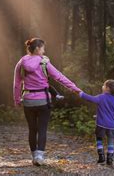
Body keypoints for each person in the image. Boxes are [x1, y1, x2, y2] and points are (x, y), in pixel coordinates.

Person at [13, 38, 81, 166]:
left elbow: (17, 84)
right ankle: (40, 156)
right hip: (43, 100)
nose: (44, 50)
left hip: (28, 100)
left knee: (32, 129)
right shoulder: (44, 62)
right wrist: (75, 89)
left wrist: (17, 100)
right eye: (43, 48)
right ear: (38, 48)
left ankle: (34, 156)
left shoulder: (21, 62)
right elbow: (60, 77)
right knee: (42, 129)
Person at [79, 79, 114, 166]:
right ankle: (110, 159)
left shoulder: (101, 97)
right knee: (111, 142)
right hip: (112, 126)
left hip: (101, 124)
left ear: (107, 88)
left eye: (103, 85)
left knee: (99, 139)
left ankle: (101, 156)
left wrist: (81, 93)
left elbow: (90, 98)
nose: (102, 87)